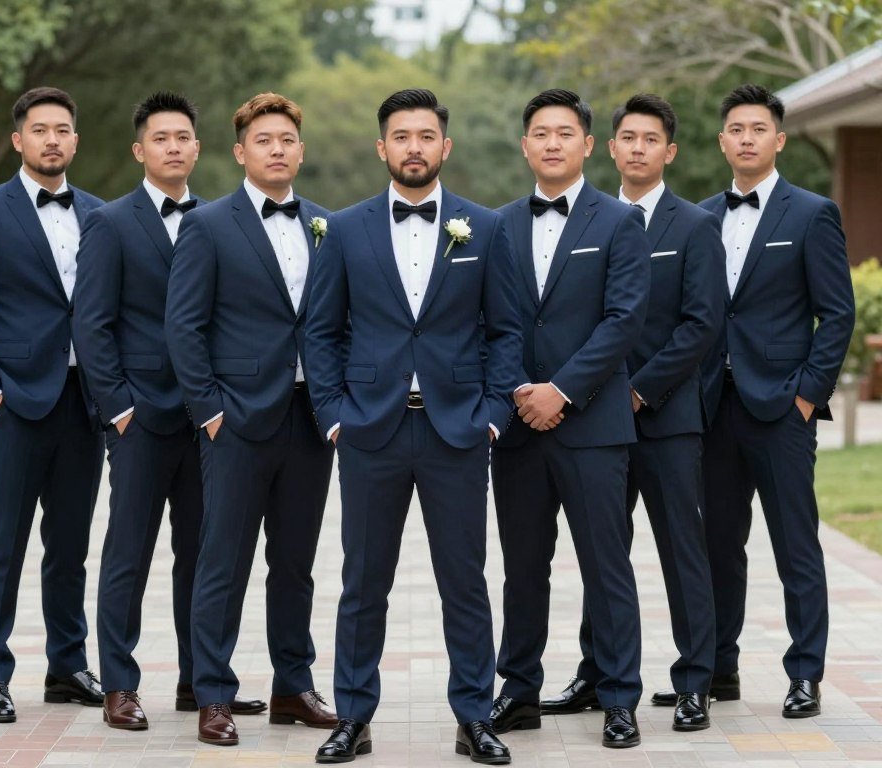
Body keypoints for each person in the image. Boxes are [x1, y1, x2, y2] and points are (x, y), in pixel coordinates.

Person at [304, 88, 522, 765]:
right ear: (382, 148)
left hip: (458, 431)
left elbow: (506, 331)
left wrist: (492, 417)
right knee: (364, 582)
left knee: (466, 581)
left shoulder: (485, 230)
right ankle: (353, 716)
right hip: (370, 432)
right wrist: (334, 417)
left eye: (427, 136)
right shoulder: (343, 230)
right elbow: (321, 331)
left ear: (445, 147)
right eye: (402, 136)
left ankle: (474, 716)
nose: (415, 147)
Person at [73, 91, 267, 729]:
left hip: (207, 418)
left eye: (184, 137)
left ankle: (200, 680)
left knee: (206, 553)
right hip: (141, 416)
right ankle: (119, 685)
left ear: (199, 147)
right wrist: (118, 407)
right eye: (161, 138)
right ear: (140, 150)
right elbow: (92, 323)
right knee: (128, 550)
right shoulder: (109, 221)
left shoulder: (219, 220)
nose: (174, 147)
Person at [165, 92, 338, 746]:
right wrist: (209, 411)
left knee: (295, 563)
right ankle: (212, 691)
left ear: (300, 149)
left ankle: (293, 686)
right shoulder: (208, 225)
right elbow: (183, 325)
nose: (276, 149)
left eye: (287, 140)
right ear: (241, 152)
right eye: (263, 140)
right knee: (223, 560)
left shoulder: (327, 224)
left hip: (309, 421)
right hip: (234, 421)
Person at [555, 93, 725, 731]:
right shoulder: (589, 219)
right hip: (595, 417)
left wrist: (640, 390)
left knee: (683, 549)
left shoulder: (694, 225)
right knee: (603, 550)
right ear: (610, 146)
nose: (637, 148)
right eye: (627, 137)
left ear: (670, 152)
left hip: (664, 417)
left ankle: (693, 682)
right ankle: (596, 672)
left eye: (650, 140)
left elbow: (701, 324)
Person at [489, 88, 649, 748]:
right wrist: (522, 392)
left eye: (565, 132)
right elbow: (489, 324)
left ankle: (617, 697)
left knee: (605, 563)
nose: (551, 142)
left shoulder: (619, 223)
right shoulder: (497, 225)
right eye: (539, 132)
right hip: (520, 426)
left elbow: (624, 320)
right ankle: (518, 689)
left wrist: (563, 390)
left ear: (588, 144)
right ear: (524, 145)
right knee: (523, 566)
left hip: (593, 426)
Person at [0, 86, 105, 723]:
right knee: (3, 544)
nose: (52, 140)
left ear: (75, 140)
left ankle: (67, 666)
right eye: (40, 130)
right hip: (13, 406)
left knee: (69, 546)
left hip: (82, 405)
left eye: (63, 129)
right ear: (19, 140)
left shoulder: (97, 213)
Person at [698, 84, 855, 718]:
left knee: (796, 544)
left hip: (783, 409)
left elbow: (836, 315)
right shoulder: (702, 215)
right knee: (717, 545)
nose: (745, 138)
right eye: (735, 128)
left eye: (757, 129)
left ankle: (805, 674)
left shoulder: (812, 213)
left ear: (779, 139)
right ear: (721, 140)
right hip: (713, 408)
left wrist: (806, 397)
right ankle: (718, 668)